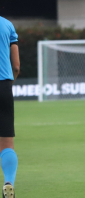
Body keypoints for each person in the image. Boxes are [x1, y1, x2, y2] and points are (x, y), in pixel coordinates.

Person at [0, 15, 20, 198]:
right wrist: (8, 85)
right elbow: (16, 66)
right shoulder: (7, 25)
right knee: (6, 143)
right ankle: (8, 182)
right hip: (3, 86)